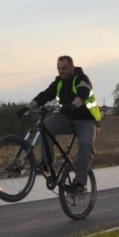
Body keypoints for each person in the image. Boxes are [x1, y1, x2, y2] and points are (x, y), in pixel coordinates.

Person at [21, 55, 101, 191]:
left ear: (72, 67)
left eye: (64, 68)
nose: (61, 71)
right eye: (58, 68)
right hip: (68, 118)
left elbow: (83, 93)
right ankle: (47, 163)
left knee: (85, 143)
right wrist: (27, 107)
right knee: (45, 125)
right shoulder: (59, 82)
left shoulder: (81, 78)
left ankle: (80, 183)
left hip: (87, 120)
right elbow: (44, 96)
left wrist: (73, 105)